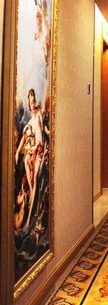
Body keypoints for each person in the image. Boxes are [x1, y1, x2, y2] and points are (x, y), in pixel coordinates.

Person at [15, 89, 44, 229]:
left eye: (33, 102)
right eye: (30, 102)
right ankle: (31, 192)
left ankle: (28, 221)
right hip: (32, 152)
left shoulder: (38, 115)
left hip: (39, 152)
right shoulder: (30, 121)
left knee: (35, 181)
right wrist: (17, 152)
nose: (32, 105)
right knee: (27, 165)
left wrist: (37, 147)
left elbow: (41, 138)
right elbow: (24, 138)